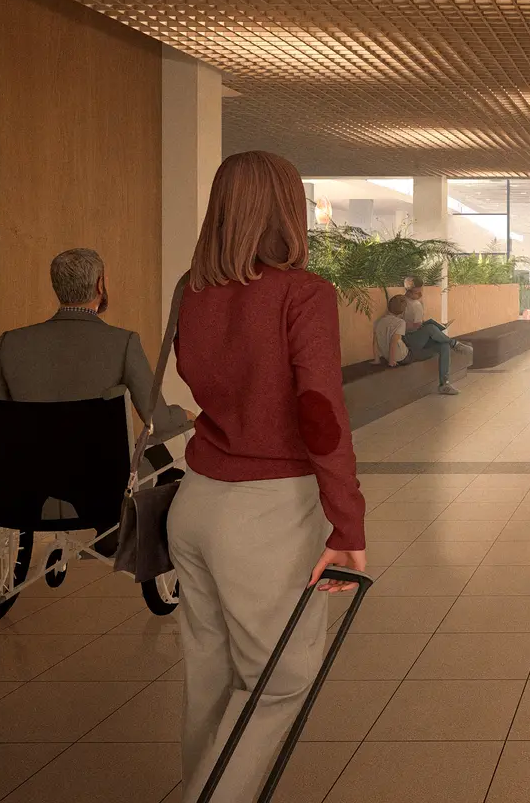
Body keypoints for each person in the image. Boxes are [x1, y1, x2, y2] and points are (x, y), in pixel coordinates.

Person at [165, 150, 366, 803]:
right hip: (267, 514)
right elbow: (319, 410)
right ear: (288, 208)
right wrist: (347, 519)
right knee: (278, 681)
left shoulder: (189, 290)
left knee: (211, 677)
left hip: (193, 503)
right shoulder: (302, 295)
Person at [0, 247, 170, 430]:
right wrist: (182, 415)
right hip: (100, 460)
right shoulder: (124, 343)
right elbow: (159, 423)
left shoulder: (9, 343)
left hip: (24, 460)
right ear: (100, 285)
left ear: (57, 286)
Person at [375, 293, 471, 396]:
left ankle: (445, 381)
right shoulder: (399, 322)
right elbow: (394, 341)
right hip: (405, 355)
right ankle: (453, 345)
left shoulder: (379, 322)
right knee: (431, 329)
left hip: (402, 349)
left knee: (443, 345)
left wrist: (377, 359)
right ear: (402, 311)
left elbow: (375, 341)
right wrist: (391, 360)